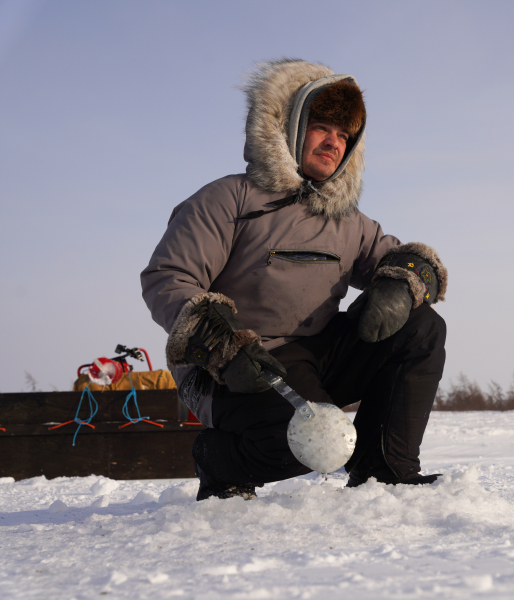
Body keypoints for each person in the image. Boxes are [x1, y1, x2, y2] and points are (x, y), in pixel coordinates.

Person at [141, 59, 447, 500]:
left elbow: (408, 263)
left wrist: (403, 283)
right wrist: (223, 346)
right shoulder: (228, 198)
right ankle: (219, 460)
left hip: (313, 356)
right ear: (290, 127)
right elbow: (169, 277)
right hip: (232, 365)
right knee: (310, 444)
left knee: (421, 325)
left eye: (344, 135)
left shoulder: (349, 221)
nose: (334, 142)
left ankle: (384, 470)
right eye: (322, 127)